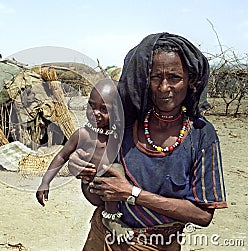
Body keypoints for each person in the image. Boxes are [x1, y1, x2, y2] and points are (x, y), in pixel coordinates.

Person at [68, 32, 228, 250]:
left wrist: (133, 194)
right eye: (155, 78)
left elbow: (202, 215)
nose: (164, 88)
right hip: (103, 239)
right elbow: (99, 199)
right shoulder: (125, 125)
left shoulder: (200, 135)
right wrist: (86, 177)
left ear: (190, 81)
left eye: (174, 78)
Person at [36, 79, 133, 242]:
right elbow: (61, 156)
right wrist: (45, 182)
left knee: (115, 168)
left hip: (113, 189)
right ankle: (111, 218)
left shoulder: (118, 134)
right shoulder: (83, 134)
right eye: (91, 106)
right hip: (92, 187)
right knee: (114, 168)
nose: (95, 112)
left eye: (104, 109)